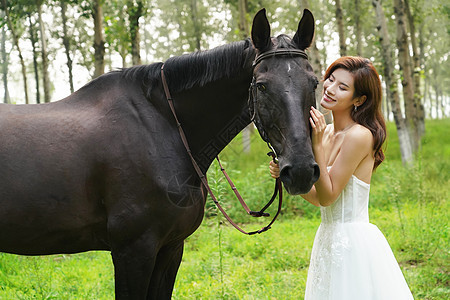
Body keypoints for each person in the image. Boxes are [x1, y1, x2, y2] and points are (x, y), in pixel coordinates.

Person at [269, 56, 413, 299]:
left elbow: (328, 196)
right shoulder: (325, 133)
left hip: (353, 243)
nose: (330, 89)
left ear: (359, 99)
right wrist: (287, 177)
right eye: (331, 80)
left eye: (342, 87)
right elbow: (317, 198)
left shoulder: (359, 136)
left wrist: (316, 144)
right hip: (327, 237)